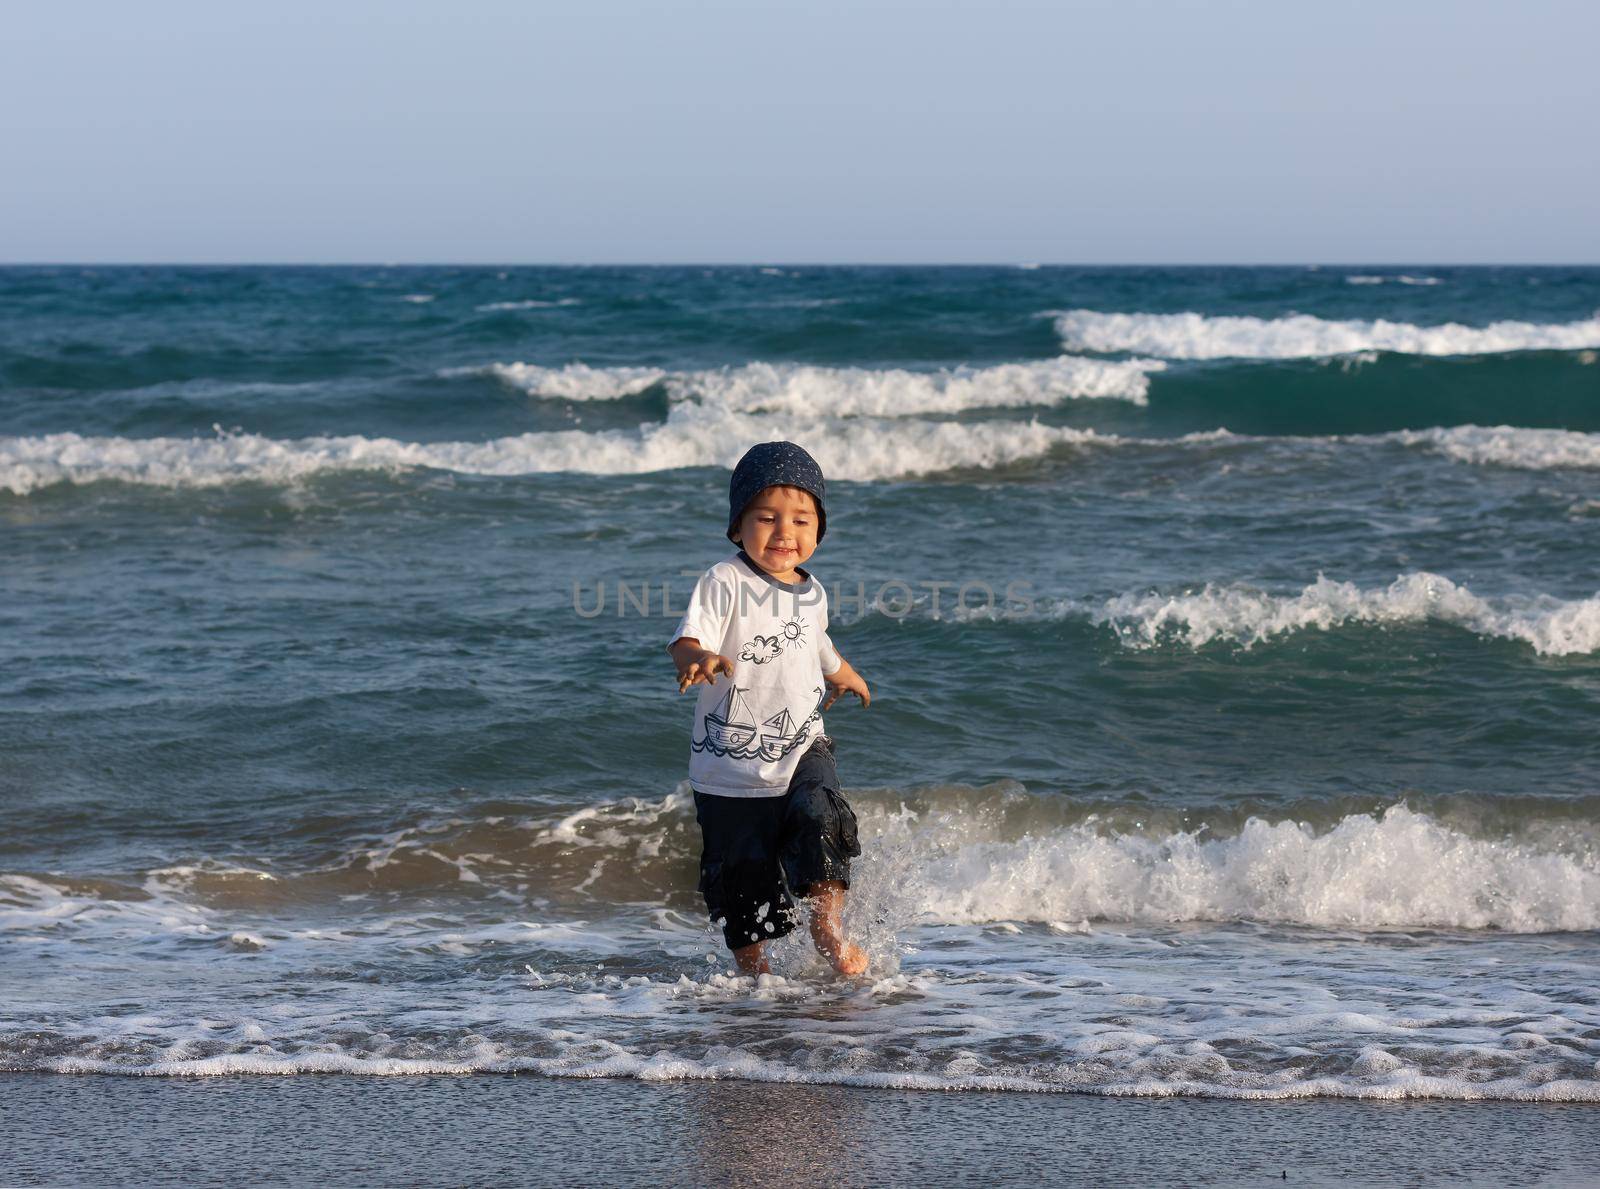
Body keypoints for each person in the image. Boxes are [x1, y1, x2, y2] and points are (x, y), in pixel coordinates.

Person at [667, 441, 872, 977]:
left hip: (804, 740)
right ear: (738, 526)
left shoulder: (814, 591)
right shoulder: (725, 580)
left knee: (821, 816)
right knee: (743, 879)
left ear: (818, 532)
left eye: (802, 520)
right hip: (730, 768)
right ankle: (754, 974)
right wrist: (696, 658)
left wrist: (841, 671)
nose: (785, 533)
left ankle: (828, 929)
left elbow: (815, 640)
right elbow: (688, 636)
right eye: (767, 518)